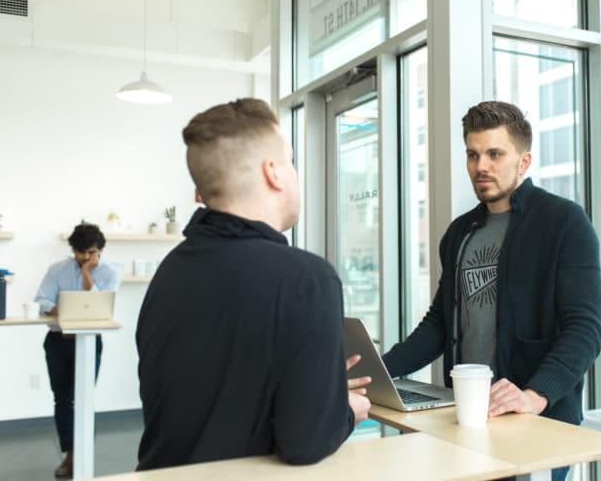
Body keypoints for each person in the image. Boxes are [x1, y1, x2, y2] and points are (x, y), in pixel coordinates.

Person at [135, 98, 370, 471]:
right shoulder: (308, 279)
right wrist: (344, 411)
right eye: (291, 161)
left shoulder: (171, 272)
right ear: (273, 172)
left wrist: (314, 386)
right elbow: (305, 443)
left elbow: (217, 397)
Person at [382, 101, 601, 481]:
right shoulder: (459, 232)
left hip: (536, 421)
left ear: (524, 160)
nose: (481, 165)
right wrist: (380, 372)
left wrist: (533, 396)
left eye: (495, 154)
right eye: (472, 154)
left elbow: (585, 329)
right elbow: (440, 323)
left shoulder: (564, 222)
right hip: (467, 416)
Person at [35, 222, 122, 478]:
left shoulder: (110, 272)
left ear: (100, 250)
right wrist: (74, 309)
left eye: (90, 252)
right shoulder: (57, 270)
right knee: (63, 399)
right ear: (72, 249)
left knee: (83, 400)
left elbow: (99, 306)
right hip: (57, 341)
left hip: (88, 341)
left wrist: (86, 274)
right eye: (79, 252)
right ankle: (70, 454)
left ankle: (80, 456)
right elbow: (42, 302)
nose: (84, 257)